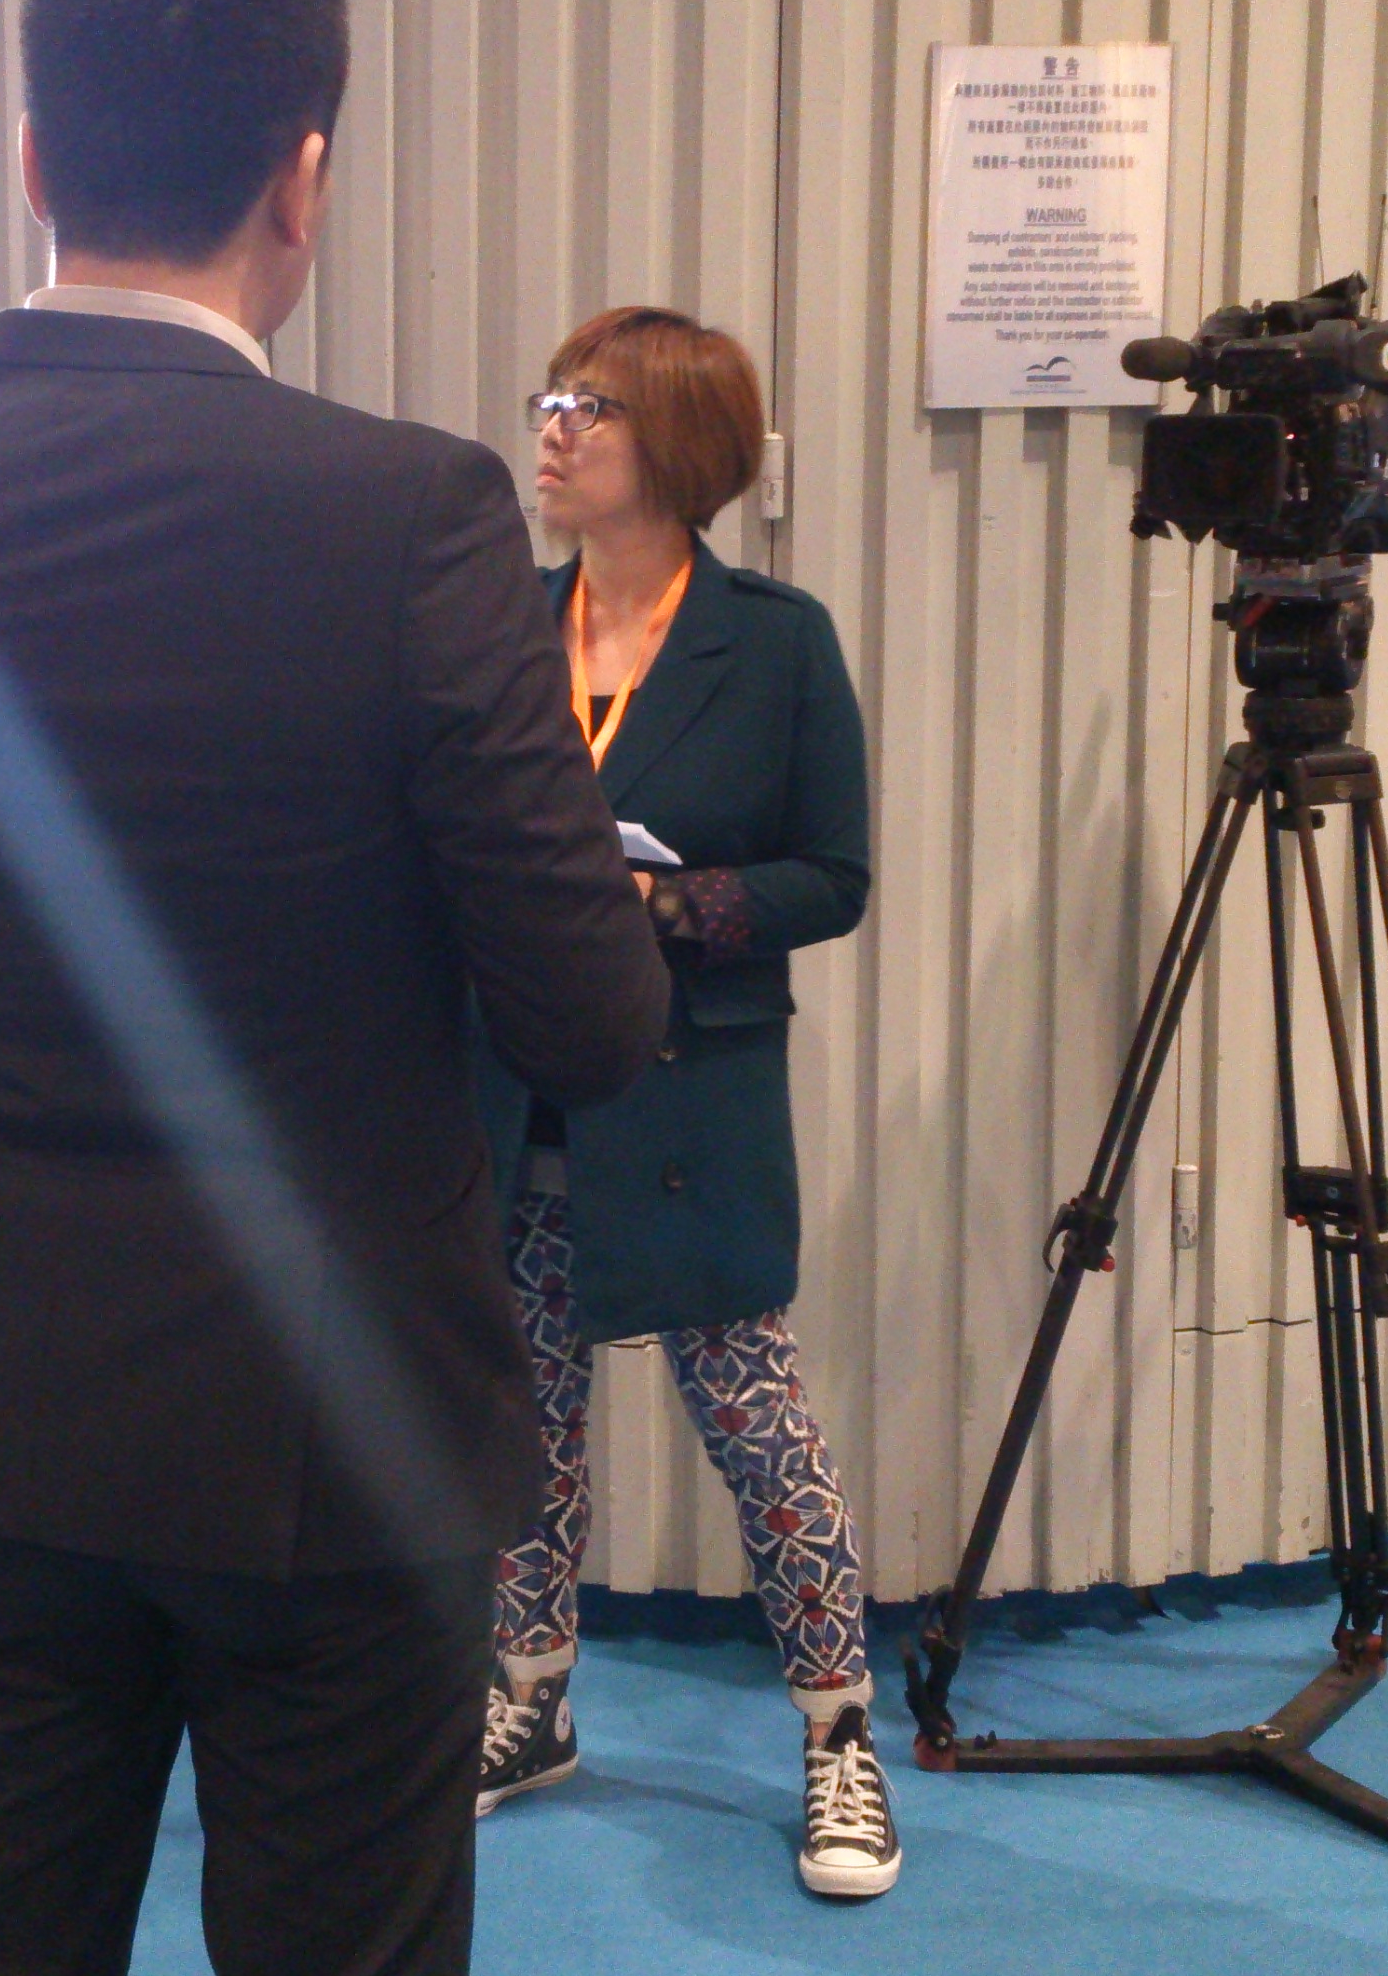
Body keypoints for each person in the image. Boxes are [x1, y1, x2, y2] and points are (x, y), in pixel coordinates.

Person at [0, 0, 669, 1976]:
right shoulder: (412, 513)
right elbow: (590, 1021)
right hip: (326, 1416)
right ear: (303, 175)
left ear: (35, 158)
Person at [466, 307, 893, 1898]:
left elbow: (834, 876)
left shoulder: (774, 641)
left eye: (593, 406)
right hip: (517, 1100)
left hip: (687, 1104)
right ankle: (530, 1700)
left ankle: (840, 1737)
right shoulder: (504, 626)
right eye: (552, 398)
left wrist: (665, 901)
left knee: (762, 1435)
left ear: (682, 445)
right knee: (525, 1428)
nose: (554, 428)